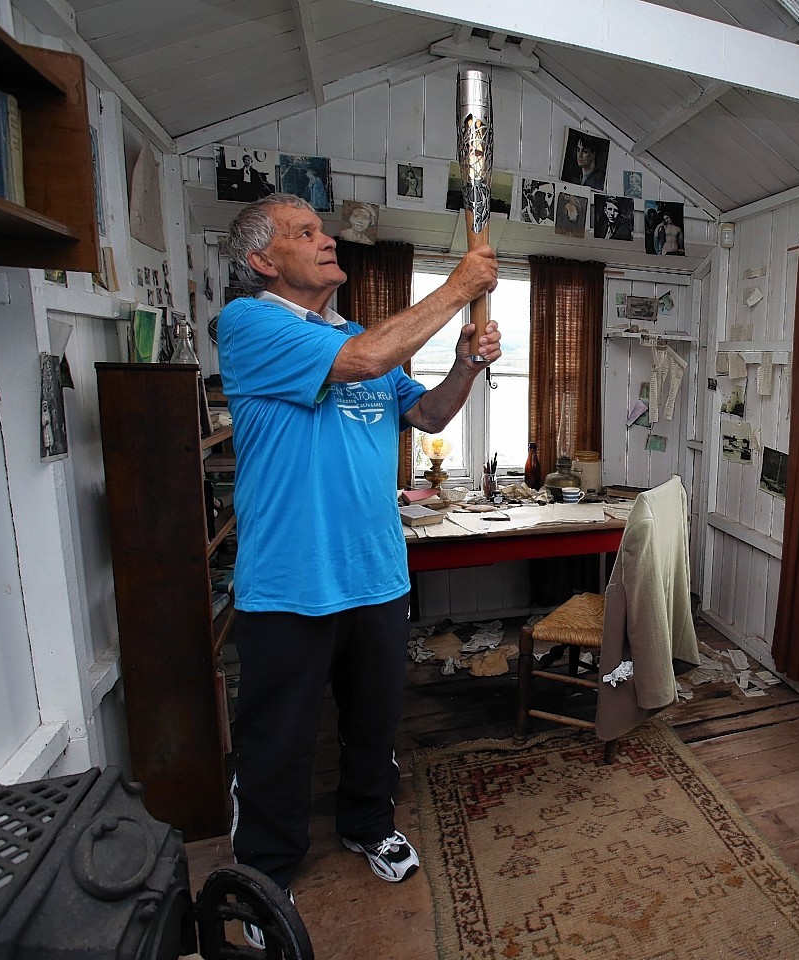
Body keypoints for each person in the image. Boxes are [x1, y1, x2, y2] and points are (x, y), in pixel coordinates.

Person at [218, 193, 499, 936]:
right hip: (288, 583)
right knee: (276, 740)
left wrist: (466, 366)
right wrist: (459, 287)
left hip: (376, 575)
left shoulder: (356, 335)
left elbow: (430, 415)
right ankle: (264, 877)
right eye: (303, 232)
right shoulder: (251, 324)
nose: (325, 238)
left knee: (374, 725)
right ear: (260, 261)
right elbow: (367, 359)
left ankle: (368, 824)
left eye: (322, 227)